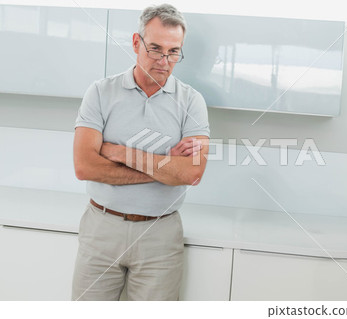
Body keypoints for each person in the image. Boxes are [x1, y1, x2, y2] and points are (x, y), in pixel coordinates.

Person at [71, 4, 210, 301]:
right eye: (156, 48)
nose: (164, 60)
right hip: (101, 229)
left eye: (174, 51)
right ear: (136, 43)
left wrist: (119, 152)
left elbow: (192, 173)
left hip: (160, 235)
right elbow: (85, 166)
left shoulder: (193, 101)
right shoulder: (100, 92)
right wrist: (165, 169)